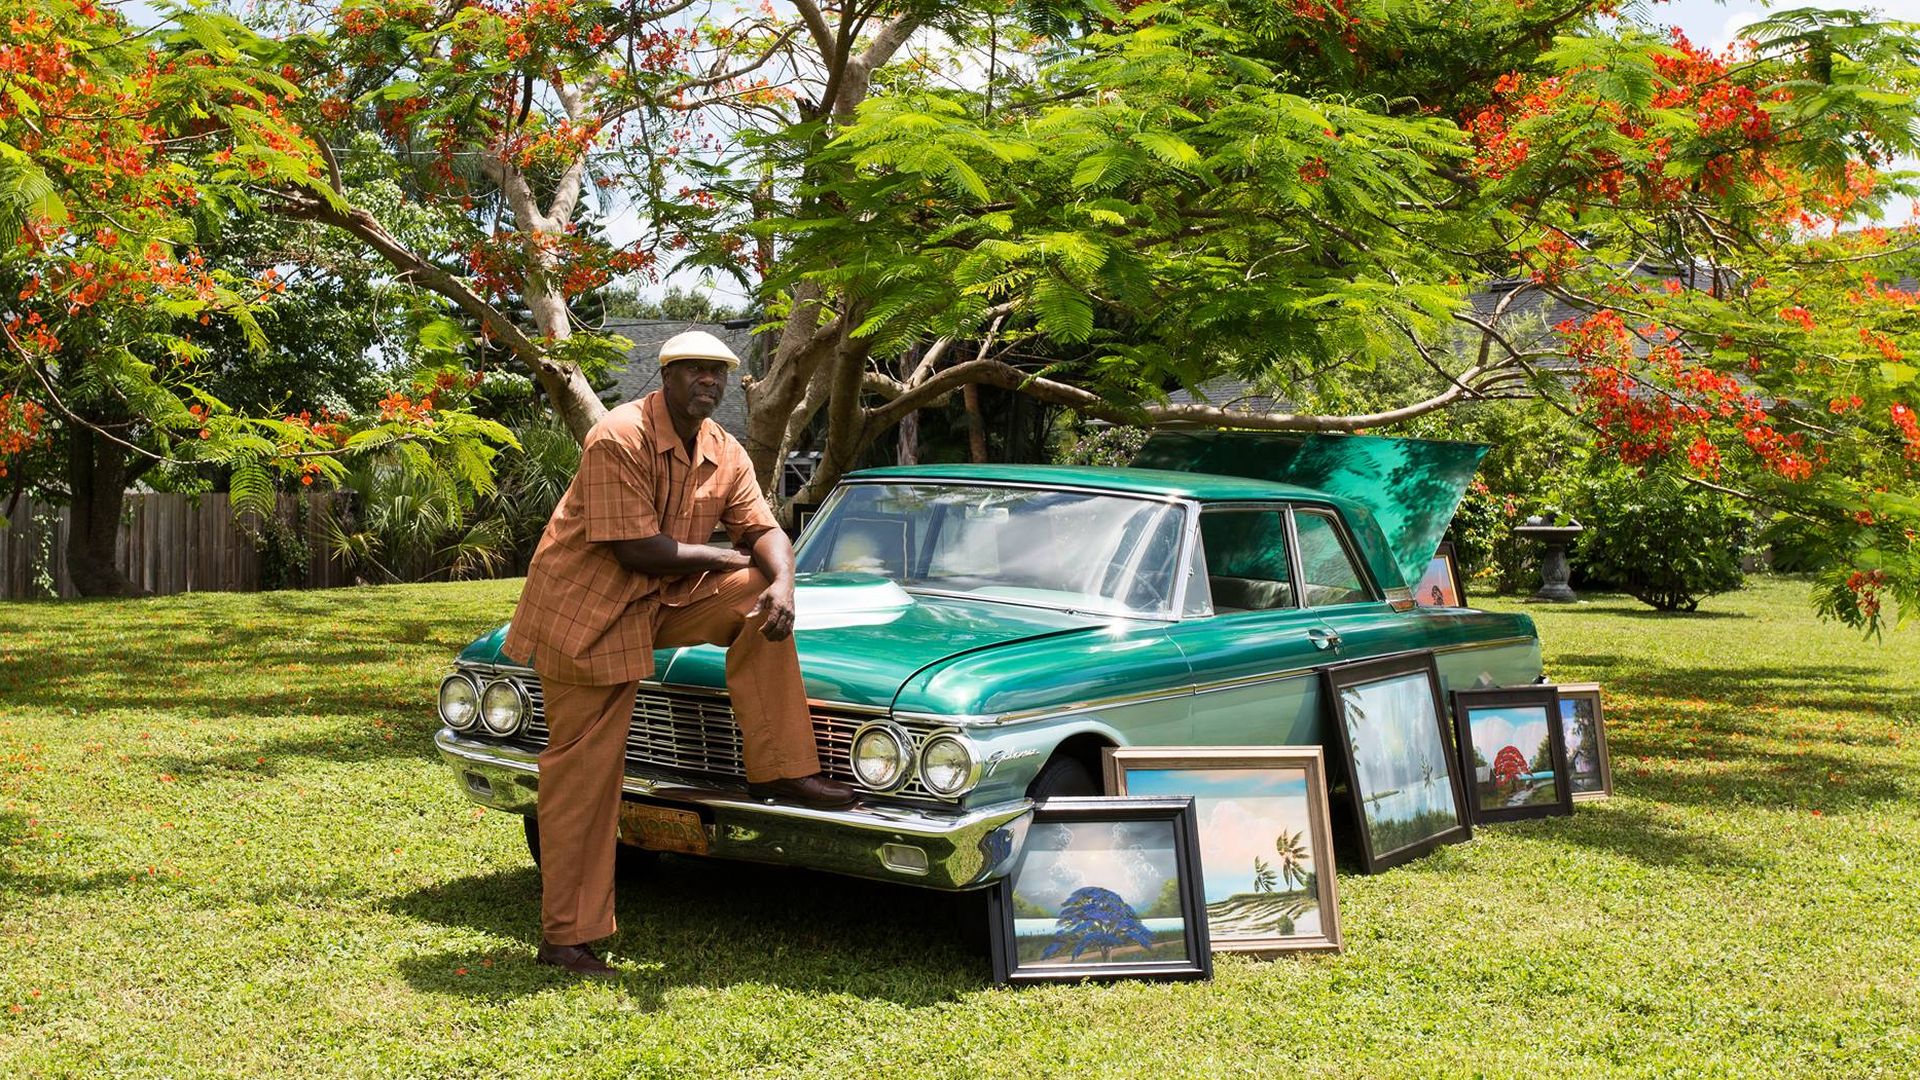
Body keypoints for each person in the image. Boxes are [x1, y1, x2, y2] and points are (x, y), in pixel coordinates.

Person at [503, 329, 857, 977]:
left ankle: (780, 765)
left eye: (717, 373)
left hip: (657, 602)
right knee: (584, 780)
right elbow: (636, 551)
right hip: (587, 616)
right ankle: (565, 938)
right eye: (694, 370)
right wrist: (729, 555)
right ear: (664, 376)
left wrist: (780, 580)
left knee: (760, 592)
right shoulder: (619, 435)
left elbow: (764, 530)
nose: (709, 383)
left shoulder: (726, 449)